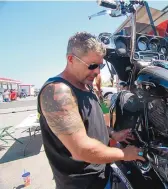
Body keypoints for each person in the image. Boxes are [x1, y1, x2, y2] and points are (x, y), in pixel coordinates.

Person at [37, 32, 145, 189]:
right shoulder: (58, 93)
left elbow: (93, 122)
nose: (97, 72)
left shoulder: (87, 87)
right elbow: (81, 149)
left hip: (102, 173)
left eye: (100, 65)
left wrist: (113, 133)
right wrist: (124, 154)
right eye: (92, 65)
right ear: (71, 59)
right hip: (82, 184)